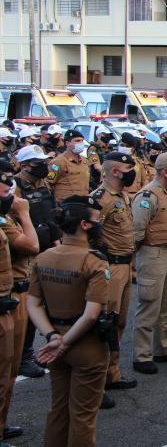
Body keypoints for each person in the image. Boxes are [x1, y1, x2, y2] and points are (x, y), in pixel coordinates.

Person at [27, 195, 110, 446]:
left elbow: (33, 304)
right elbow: (91, 313)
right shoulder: (94, 261)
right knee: (83, 415)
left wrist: (52, 336)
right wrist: (65, 342)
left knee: (58, 410)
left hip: (55, 338)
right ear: (84, 225)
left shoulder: (44, 257)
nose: (99, 224)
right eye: (95, 220)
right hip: (85, 343)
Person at [131, 153, 167, 375]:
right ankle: (142, 355)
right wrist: (136, 259)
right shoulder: (148, 196)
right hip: (152, 253)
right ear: (166, 172)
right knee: (149, 305)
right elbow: (137, 231)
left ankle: (164, 347)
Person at [91, 152, 139, 396]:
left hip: (125, 265)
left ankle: (112, 373)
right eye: (128, 169)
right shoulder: (101, 199)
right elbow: (91, 235)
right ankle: (97, 381)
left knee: (119, 322)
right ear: (114, 172)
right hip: (110, 266)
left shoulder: (123, 196)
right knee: (105, 323)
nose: (133, 173)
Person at [12, 145, 59, 380]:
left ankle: (39, 351)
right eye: (37, 163)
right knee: (29, 305)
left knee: (46, 303)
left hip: (47, 249)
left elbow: (51, 212)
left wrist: (57, 239)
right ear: (24, 165)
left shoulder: (43, 184)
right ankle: (24, 357)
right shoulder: (15, 187)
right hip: (27, 253)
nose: (42, 166)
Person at [0, 165, 37, 439]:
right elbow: (32, 245)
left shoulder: (5, 219)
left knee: (9, 370)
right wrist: (24, 214)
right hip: (6, 296)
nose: (10, 197)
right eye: (4, 193)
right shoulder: (7, 222)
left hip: (16, 293)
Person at [47, 130, 91, 203]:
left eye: (82, 141)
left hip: (83, 203)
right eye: (77, 141)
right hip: (65, 204)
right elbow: (49, 183)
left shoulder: (85, 161)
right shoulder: (58, 162)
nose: (81, 143)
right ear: (67, 143)